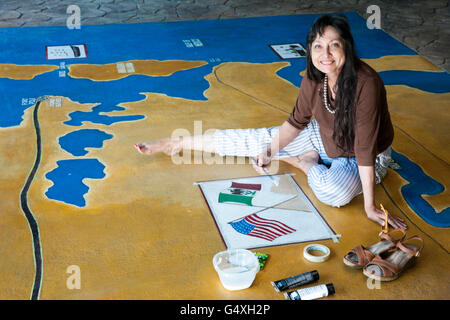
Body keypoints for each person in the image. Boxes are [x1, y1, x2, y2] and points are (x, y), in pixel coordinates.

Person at [135, 14, 407, 230]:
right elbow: (296, 122)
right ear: (310, 49)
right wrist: (269, 151)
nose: (326, 54)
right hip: (323, 138)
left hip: (364, 156)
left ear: (346, 46)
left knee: (334, 194)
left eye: (334, 45)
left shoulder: (366, 84)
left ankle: (306, 161)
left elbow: (363, 150)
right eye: (318, 46)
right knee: (258, 140)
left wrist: (370, 207)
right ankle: (176, 142)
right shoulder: (315, 77)